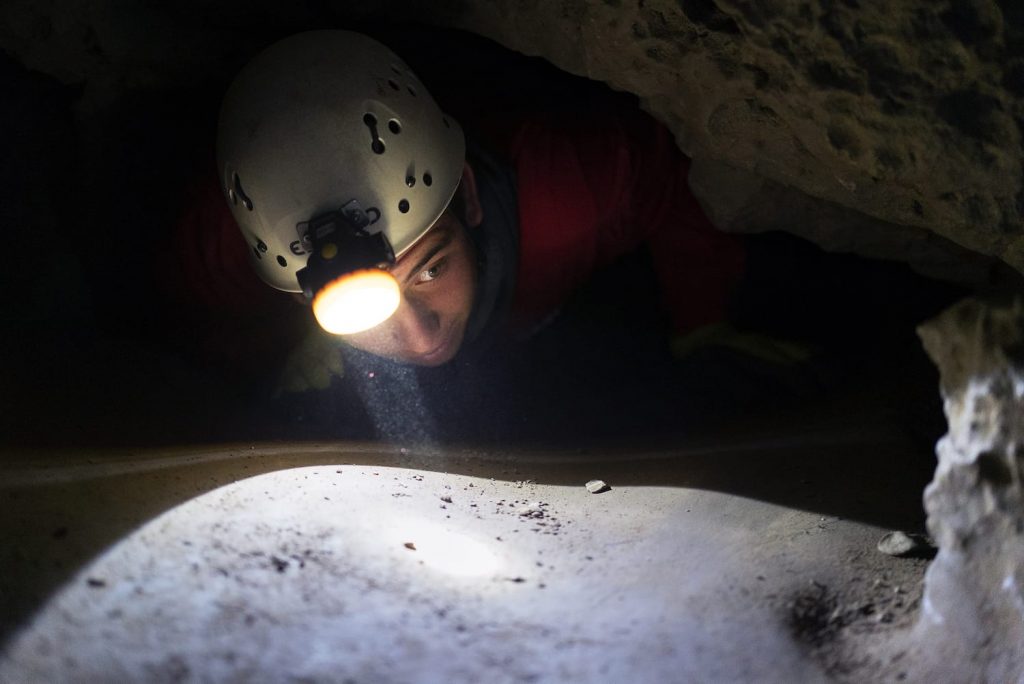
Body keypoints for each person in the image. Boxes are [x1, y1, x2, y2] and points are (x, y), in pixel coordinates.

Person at [163, 29, 750, 392]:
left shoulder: (570, 190)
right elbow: (188, 324)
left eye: (431, 269)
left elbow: (666, 177)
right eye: (356, 308)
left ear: (467, 195)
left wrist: (703, 318)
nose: (420, 339)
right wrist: (277, 350)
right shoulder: (224, 245)